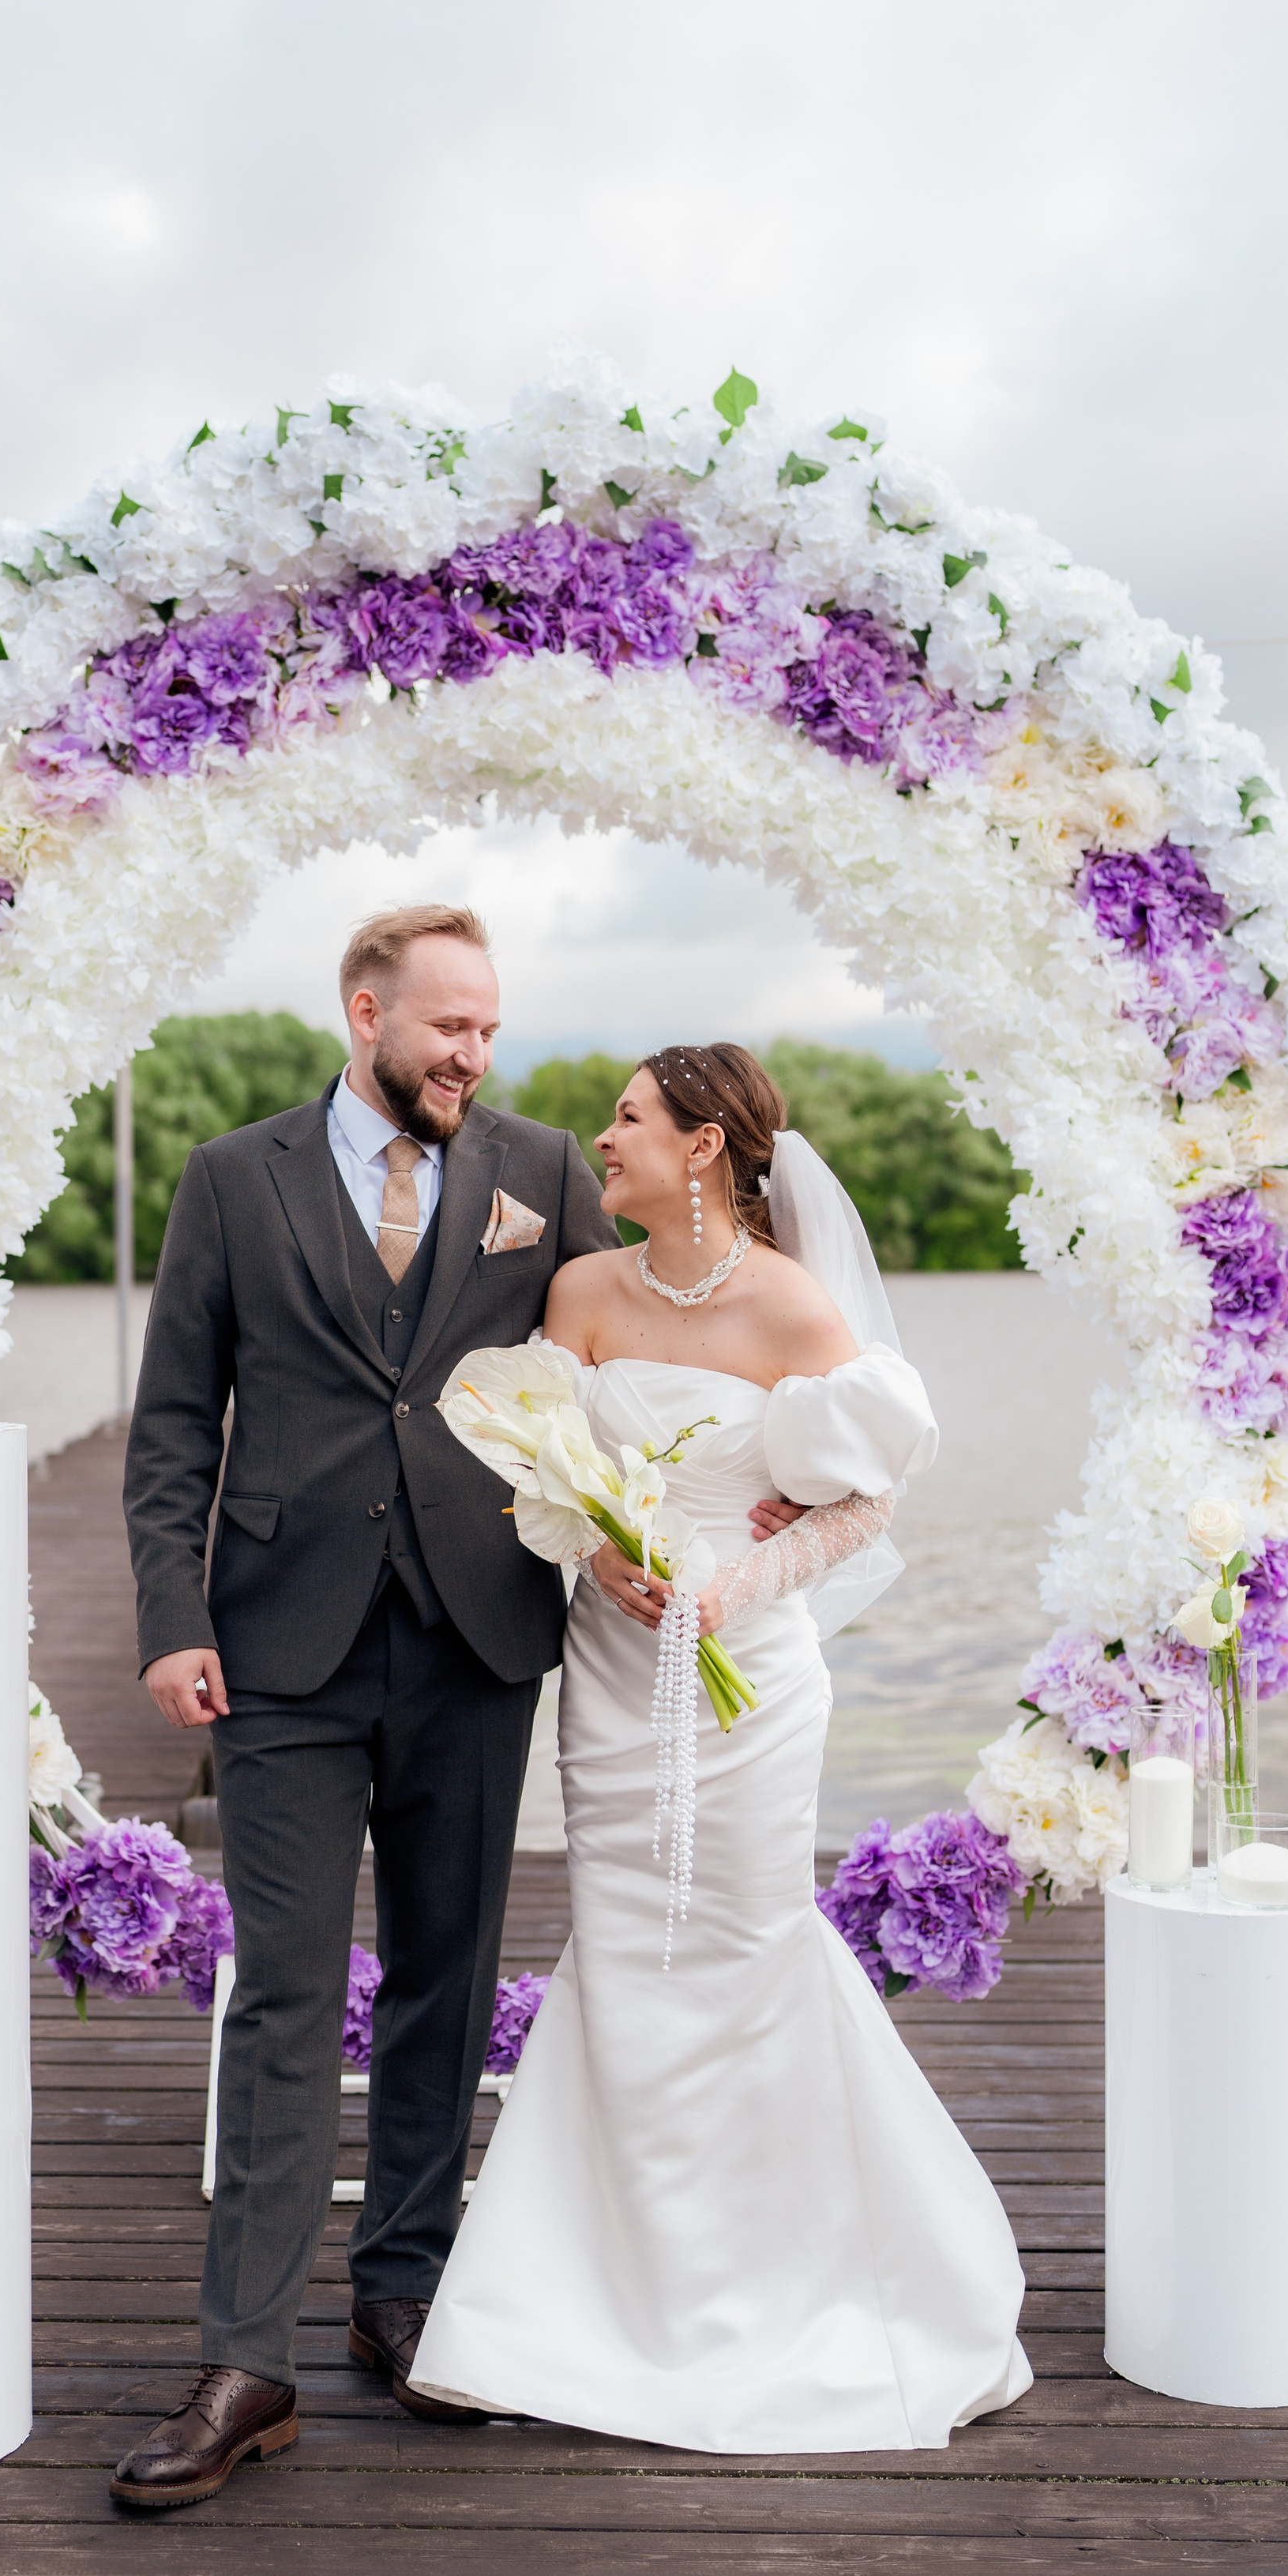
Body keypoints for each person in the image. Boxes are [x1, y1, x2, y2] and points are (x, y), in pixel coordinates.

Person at [411, 1044, 1034, 2451]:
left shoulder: (792, 1306)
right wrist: (592, 1544)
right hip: (615, 1670)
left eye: (627, 1120)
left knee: (746, 1945)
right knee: (626, 1952)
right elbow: (534, 1471)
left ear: (702, 1147)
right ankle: (595, 2296)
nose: (603, 1140)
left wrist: (735, 1585)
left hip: (748, 1672)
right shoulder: (582, 1292)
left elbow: (863, 1501)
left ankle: (784, 2282)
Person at [111, 904, 624, 2506]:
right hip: (278, 1644)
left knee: (445, 1979)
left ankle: (403, 2287)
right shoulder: (229, 1179)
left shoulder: (543, 1172)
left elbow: (623, 1359)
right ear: (363, 1012)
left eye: (487, 1028)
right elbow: (174, 1421)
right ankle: (242, 2354)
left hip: (475, 1632)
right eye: (445, 1028)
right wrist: (170, 1619)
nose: (471, 1055)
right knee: (277, 1992)